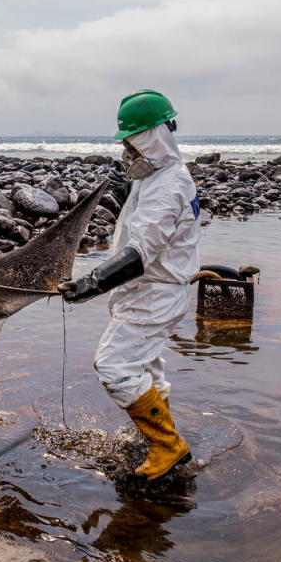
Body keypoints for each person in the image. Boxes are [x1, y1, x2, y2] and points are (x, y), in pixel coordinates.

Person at [59, 89, 201, 480]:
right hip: (151, 291)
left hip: (154, 294)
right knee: (148, 368)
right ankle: (158, 434)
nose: (128, 155)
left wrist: (92, 282)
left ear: (151, 138)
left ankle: (168, 446)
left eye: (132, 145)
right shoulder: (159, 176)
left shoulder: (167, 186)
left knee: (114, 367)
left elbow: (141, 253)